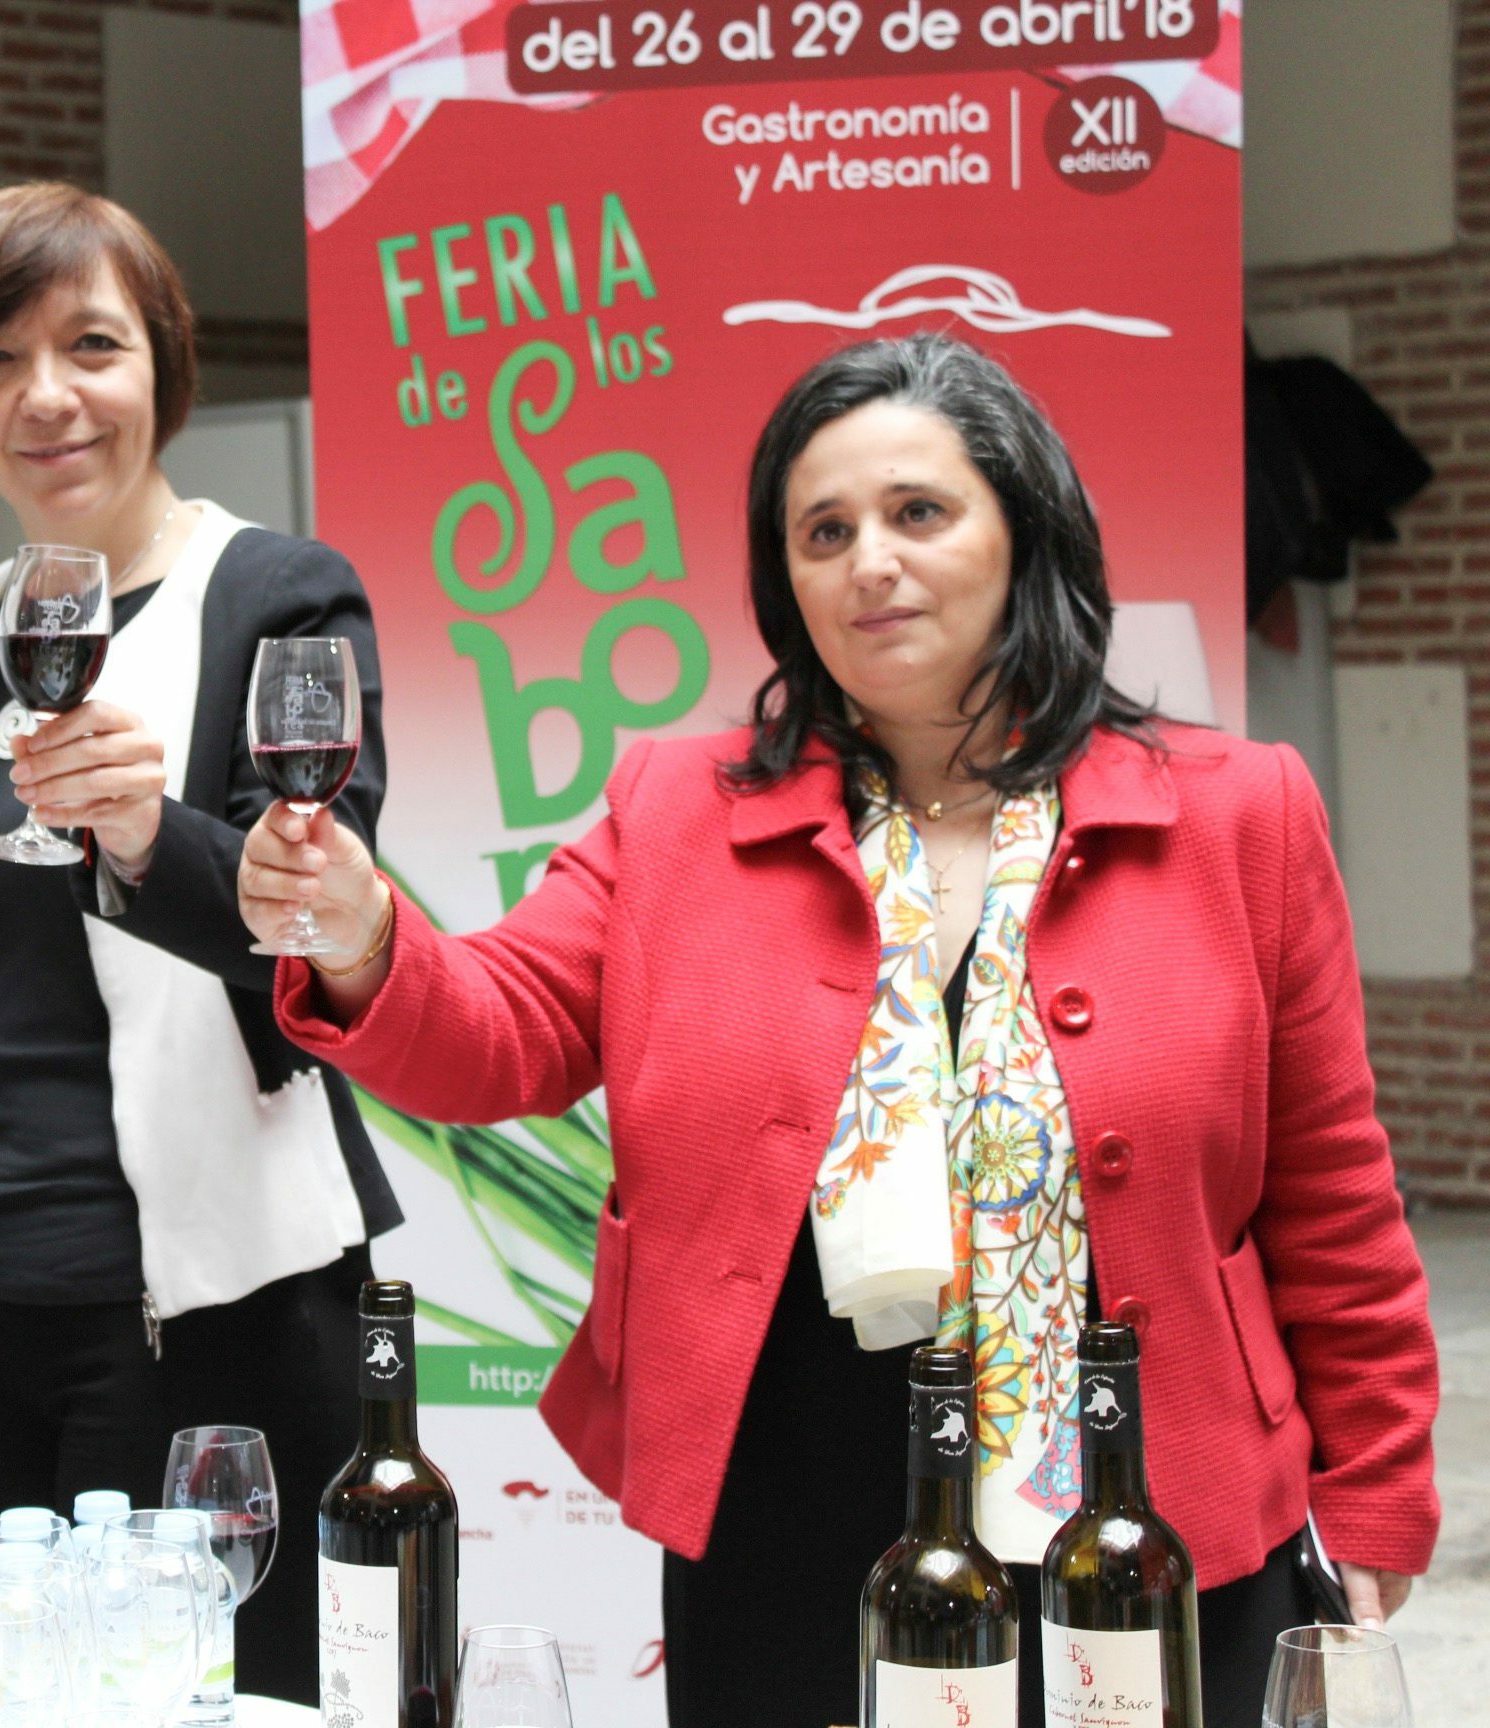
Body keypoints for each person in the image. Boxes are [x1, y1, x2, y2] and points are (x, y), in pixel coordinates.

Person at [237, 333, 1440, 1727]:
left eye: (919, 513)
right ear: (784, 578)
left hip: (1147, 1504)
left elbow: (1334, 1192)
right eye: (825, 530)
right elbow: (498, 1032)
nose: (871, 560)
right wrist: (362, 934)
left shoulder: (1241, 814)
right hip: (787, 1499)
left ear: (1025, 531)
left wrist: (1374, 1495)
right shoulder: (677, 810)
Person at [0, 182, 400, 1703]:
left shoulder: (275, 593)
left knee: (209, 1695)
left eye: (89, 346)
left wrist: (140, 830)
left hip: (200, 1313)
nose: (44, 398)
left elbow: (311, 923)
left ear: (161, 368)